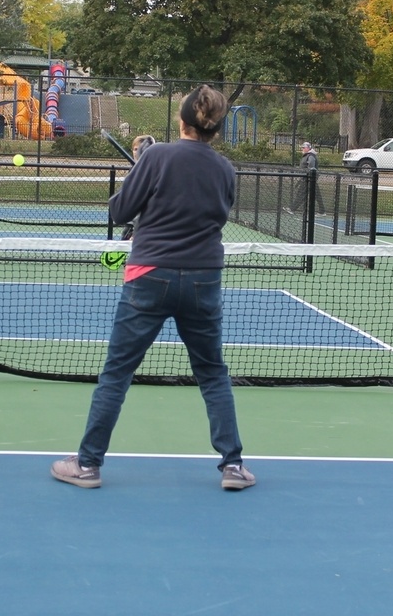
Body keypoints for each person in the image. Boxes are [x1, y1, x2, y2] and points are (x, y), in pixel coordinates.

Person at [51, 85, 254, 491]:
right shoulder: (225, 169)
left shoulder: (157, 156)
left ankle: (88, 465)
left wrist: (138, 175)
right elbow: (218, 213)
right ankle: (233, 466)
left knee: (117, 373)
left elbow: (120, 210)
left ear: (182, 120)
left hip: (150, 275)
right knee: (212, 373)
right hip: (203, 278)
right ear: (214, 129)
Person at [289, 141, 325, 214]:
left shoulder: (310, 156)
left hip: (308, 179)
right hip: (307, 179)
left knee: (302, 194)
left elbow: (311, 167)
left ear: (308, 148)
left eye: (304, 147)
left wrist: (308, 176)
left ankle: (292, 209)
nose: (302, 149)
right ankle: (322, 211)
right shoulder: (307, 155)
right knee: (316, 195)